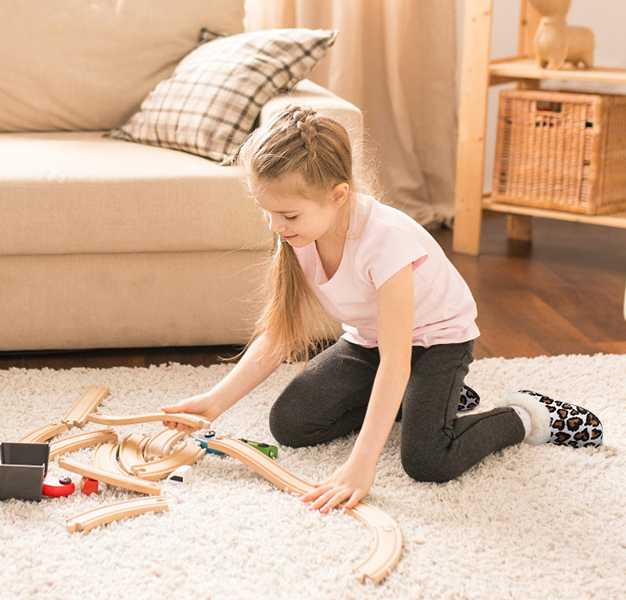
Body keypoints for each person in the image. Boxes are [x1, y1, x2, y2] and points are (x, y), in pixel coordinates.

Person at [162, 106, 603, 513]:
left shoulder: (386, 241)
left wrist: (362, 462)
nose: (276, 227)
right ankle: (433, 401)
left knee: (428, 459)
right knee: (291, 424)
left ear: (338, 195)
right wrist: (214, 401)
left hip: (437, 343)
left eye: (289, 216)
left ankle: (526, 414)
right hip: (369, 339)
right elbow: (281, 335)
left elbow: (397, 361)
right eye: (266, 211)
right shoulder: (297, 235)